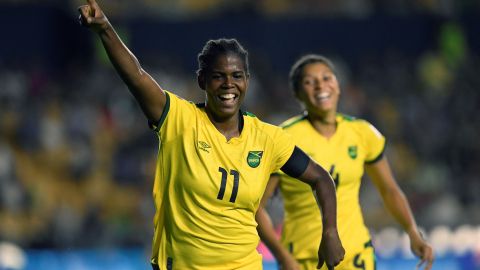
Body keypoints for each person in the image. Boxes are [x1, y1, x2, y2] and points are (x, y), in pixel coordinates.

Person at [77, 1, 345, 269]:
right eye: (218, 76)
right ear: (202, 81)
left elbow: (321, 178)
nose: (229, 84)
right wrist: (105, 29)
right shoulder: (178, 120)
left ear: (247, 81)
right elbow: (136, 76)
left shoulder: (268, 139)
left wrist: (330, 232)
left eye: (237, 75)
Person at [256, 54, 434, 270]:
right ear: (298, 93)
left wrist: (413, 232)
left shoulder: (362, 133)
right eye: (310, 81)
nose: (320, 85)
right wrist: (283, 257)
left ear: (338, 85)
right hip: (303, 260)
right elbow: (256, 208)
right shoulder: (283, 138)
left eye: (327, 78)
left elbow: (389, 190)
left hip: (356, 256)